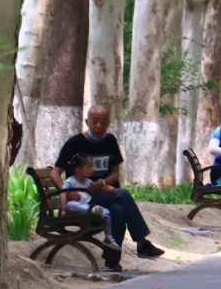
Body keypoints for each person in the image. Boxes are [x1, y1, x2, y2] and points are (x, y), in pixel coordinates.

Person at [52, 105, 165, 272]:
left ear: (108, 124)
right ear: (87, 122)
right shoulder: (74, 144)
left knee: (118, 209)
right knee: (123, 195)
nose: (99, 126)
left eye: (103, 122)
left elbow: (115, 173)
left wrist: (103, 183)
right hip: (86, 199)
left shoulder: (110, 141)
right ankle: (141, 242)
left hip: (106, 193)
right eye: (95, 121)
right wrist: (67, 192)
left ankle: (112, 262)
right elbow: (55, 173)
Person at [60, 153, 117, 249]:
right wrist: (63, 209)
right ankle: (94, 210)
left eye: (92, 166)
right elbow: (63, 193)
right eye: (89, 167)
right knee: (71, 204)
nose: (92, 169)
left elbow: (100, 188)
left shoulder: (88, 182)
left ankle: (108, 237)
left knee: (107, 212)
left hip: (87, 208)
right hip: (73, 209)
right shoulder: (71, 180)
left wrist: (107, 187)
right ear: (78, 170)